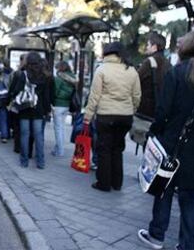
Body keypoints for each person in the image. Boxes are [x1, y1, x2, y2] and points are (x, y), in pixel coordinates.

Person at [138, 31, 194, 250]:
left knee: (162, 190)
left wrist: (155, 133)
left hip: (171, 143)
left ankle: (156, 235)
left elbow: (163, 111)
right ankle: (188, 245)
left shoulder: (177, 73)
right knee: (190, 198)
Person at [84, 42, 141, 191]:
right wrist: (132, 110)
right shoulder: (132, 71)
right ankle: (117, 183)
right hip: (126, 116)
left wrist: (88, 116)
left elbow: (94, 96)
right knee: (117, 148)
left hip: (106, 115)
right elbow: (137, 96)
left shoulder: (101, 70)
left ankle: (103, 183)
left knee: (104, 149)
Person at [9, 52, 51, 169]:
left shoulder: (22, 75)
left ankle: (24, 161)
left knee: (24, 135)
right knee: (38, 136)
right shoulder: (44, 76)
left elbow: (16, 91)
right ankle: (40, 162)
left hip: (24, 109)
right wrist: (47, 110)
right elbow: (46, 96)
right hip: (38, 110)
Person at [137, 31, 171, 119]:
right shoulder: (168, 64)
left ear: (154, 47)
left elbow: (135, 80)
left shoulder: (149, 62)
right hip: (161, 110)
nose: (147, 47)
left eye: (148, 45)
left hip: (145, 111)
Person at [51, 61, 77, 157]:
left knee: (58, 128)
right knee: (61, 127)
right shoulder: (73, 78)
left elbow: (55, 92)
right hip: (67, 105)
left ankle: (60, 150)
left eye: (57, 68)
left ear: (60, 68)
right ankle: (58, 147)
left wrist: (52, 102)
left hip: (58, 104)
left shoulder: (59, 78)